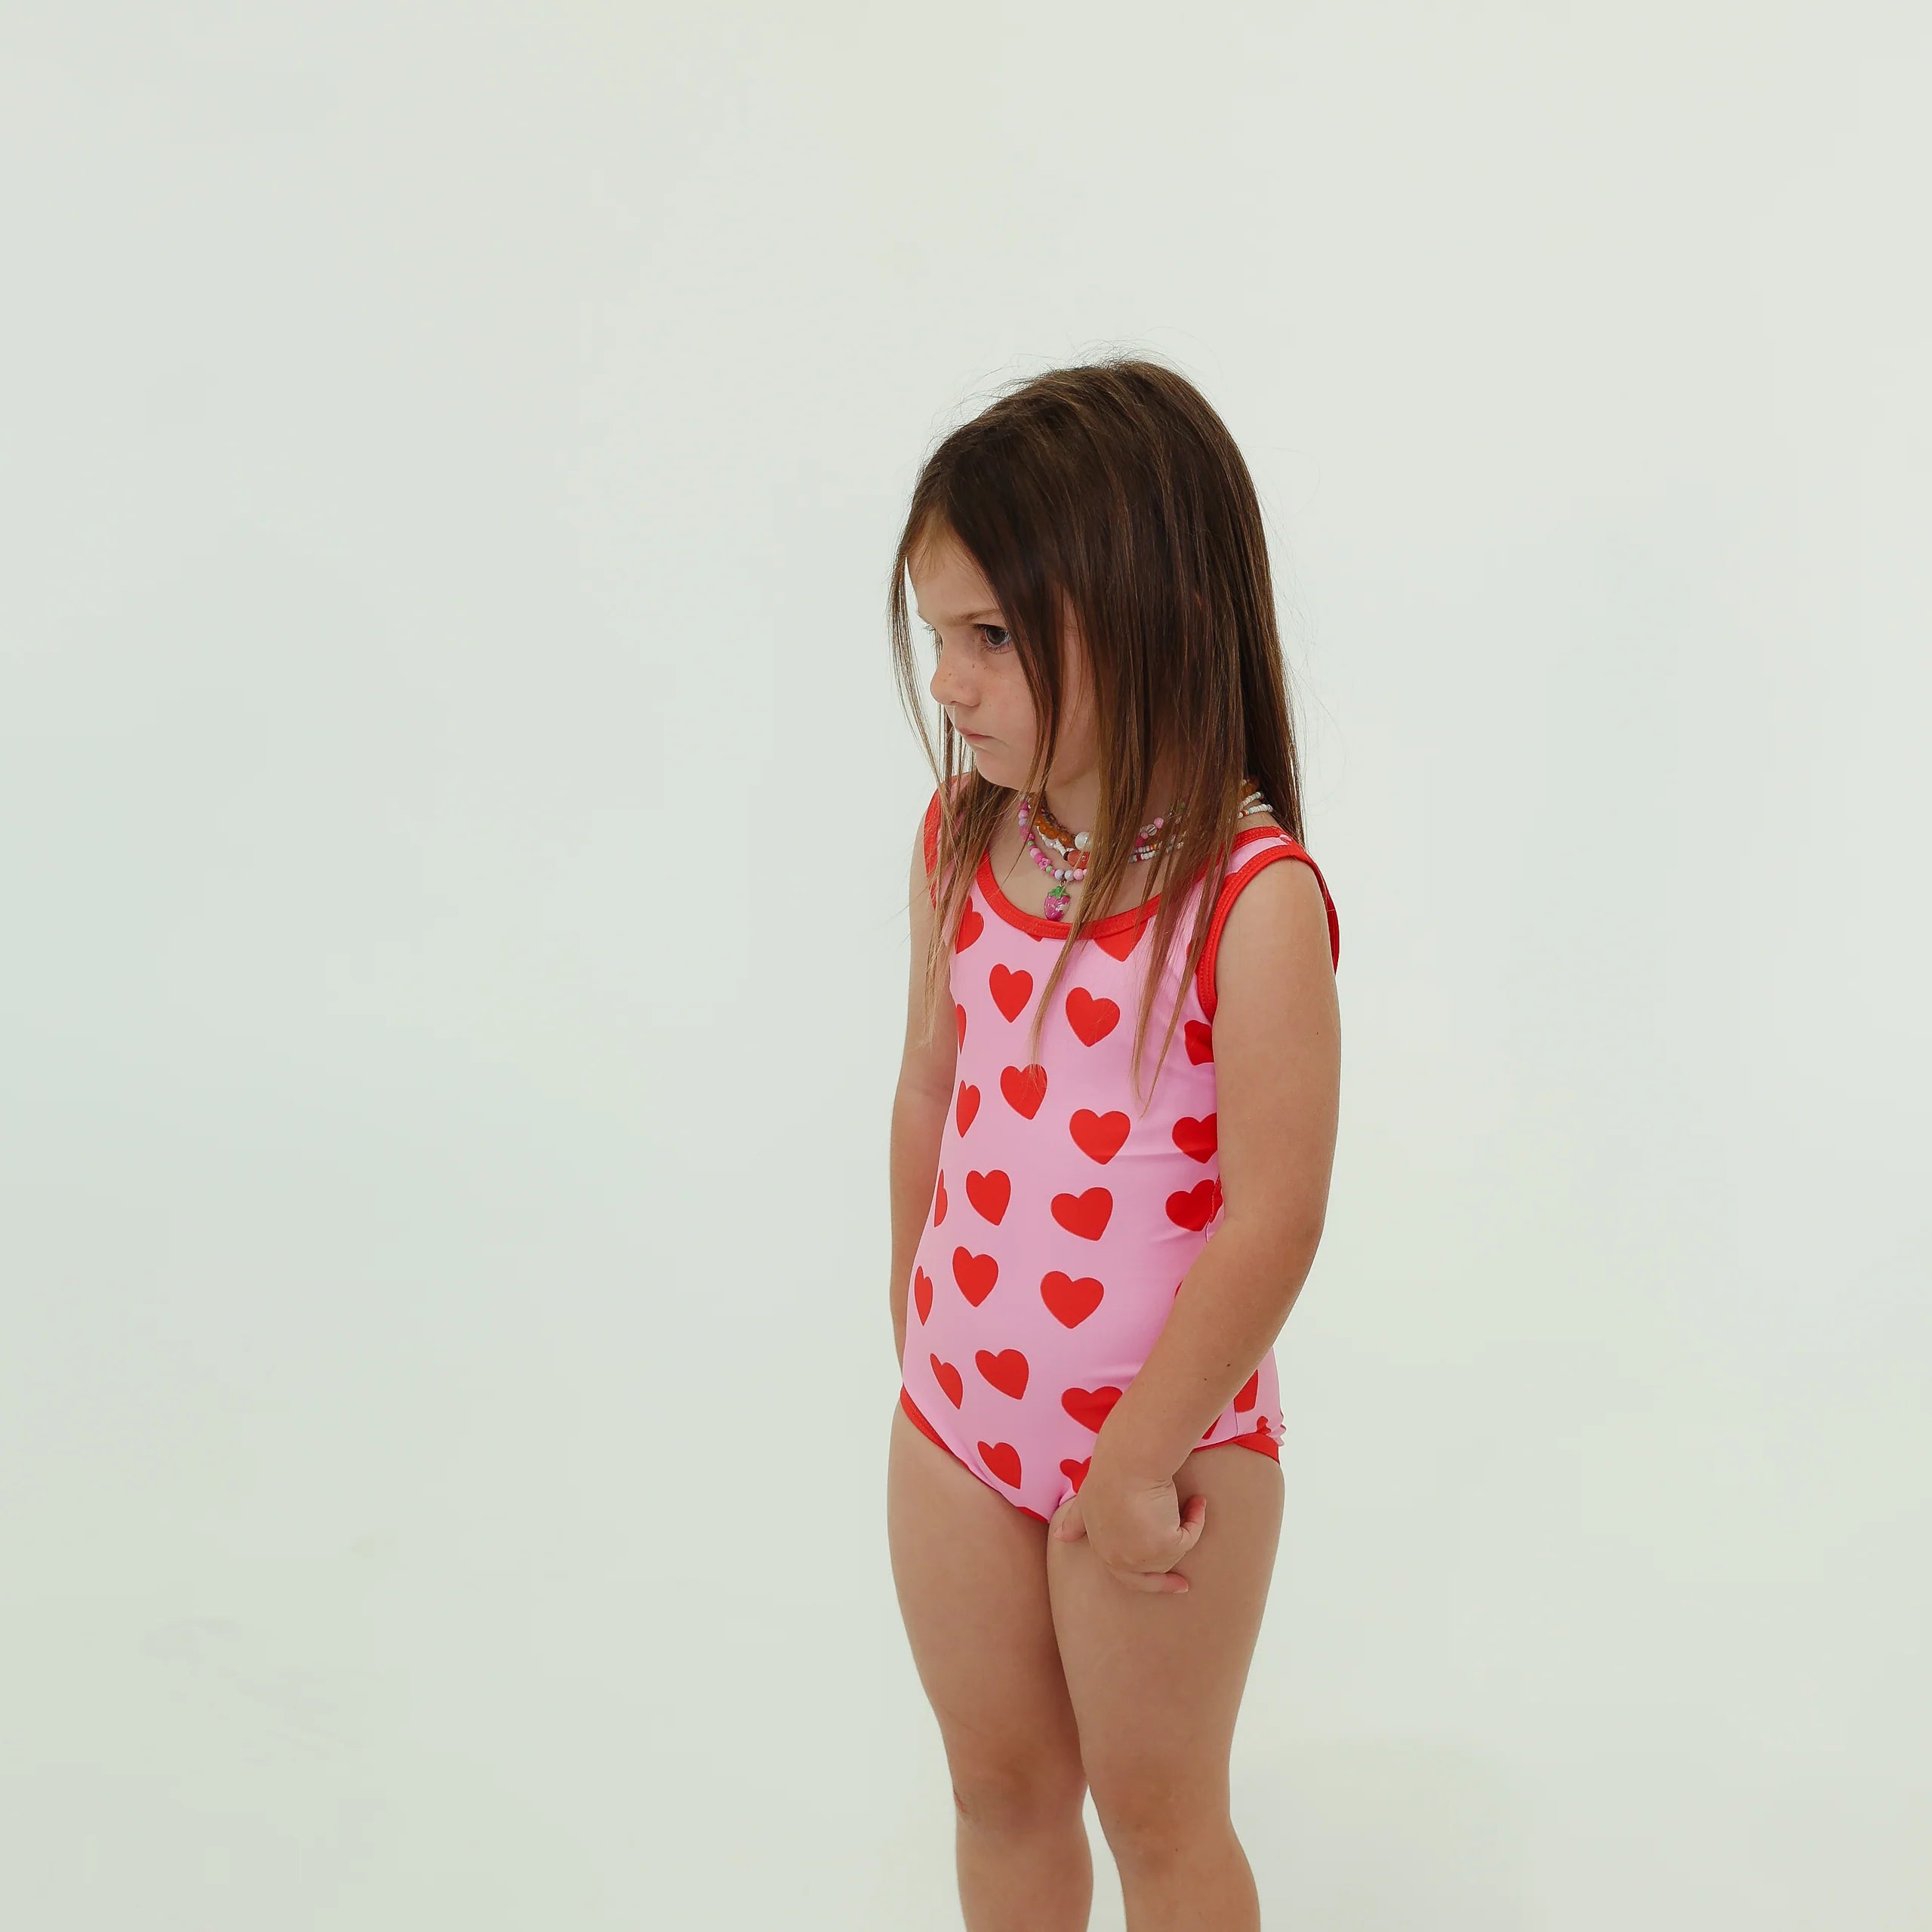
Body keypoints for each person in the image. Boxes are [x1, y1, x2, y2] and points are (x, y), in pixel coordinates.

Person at [882, 356, 1343, 1931]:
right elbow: (928, 1089)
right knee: (996, 1790)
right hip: (958, 1422)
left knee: (1158, 1817)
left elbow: (1276, 1211)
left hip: (1160, 1448)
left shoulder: (1248, 896)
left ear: (1144, 609)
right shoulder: (958, 840)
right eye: (938, 633)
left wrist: (1142, 1447)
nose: (949, 679)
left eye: (991, 635)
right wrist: (916, 1330)